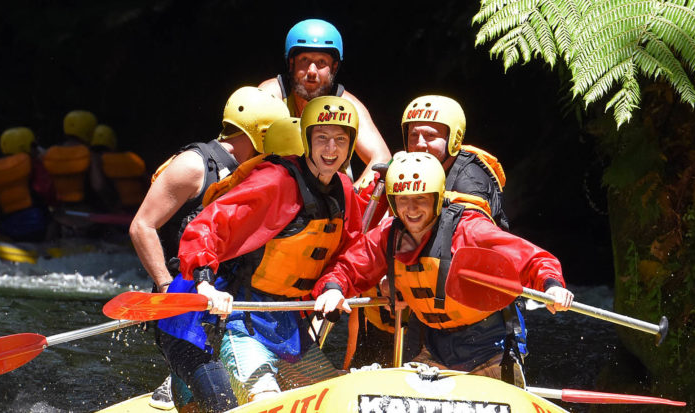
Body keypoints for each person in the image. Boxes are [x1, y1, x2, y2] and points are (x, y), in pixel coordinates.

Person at [311, 151, 575, 386]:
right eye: (402, 200)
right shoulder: (388, 235)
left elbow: (532, 259)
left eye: (421, 199)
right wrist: (334, 289)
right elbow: (349, 266)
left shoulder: (469, 229)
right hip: (434, 343)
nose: (411, 209)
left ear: (437, 198)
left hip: (487, 343)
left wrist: (552, 285)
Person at [167, 96, 365, 404]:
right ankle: (189, 386)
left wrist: (335, 286)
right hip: (239, 315)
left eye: (340, 140)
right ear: (306, 139)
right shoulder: (276, 181)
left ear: (351, 145)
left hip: (286, 324)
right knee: (266, 400)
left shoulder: (344, 190)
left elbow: (350, 255)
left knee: (335, 401)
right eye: (322, 138)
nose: (331, 149)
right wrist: (204, 281)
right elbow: (209, 226)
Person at [129, 86, 289, 411]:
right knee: (219, 403)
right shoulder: (194, 165)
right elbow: (141, 225)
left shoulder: (257, 171)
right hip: (182, 308)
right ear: (262, 133)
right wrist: (163, 287)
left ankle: (180, 386)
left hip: (226, 308)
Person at [258, 18, 391, 181]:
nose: (312, 71)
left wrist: (352, 199)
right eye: (304, 60)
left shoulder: (346, 104)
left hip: (330, 198)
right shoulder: (271, 94)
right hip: (276, 192)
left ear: (334, 67)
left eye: (321, 62)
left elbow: (382, 158)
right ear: (291, 63)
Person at [402, 95, 508, 230]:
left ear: (454, 139)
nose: (419, 144)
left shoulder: (472, 183)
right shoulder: (406, 169)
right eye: (414, 135)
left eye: (431, 136)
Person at [0, 127, 54, 242]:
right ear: (27, 146)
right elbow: (50, 195)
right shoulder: (35, 165)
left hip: (8, 232)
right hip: (39, 229)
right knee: (55, 221)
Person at [90, 124, 148, 212]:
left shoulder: (95, 160)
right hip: (138, 207)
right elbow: (147, 181)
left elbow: (99, 186)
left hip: (115, 210)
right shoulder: (132, 158)